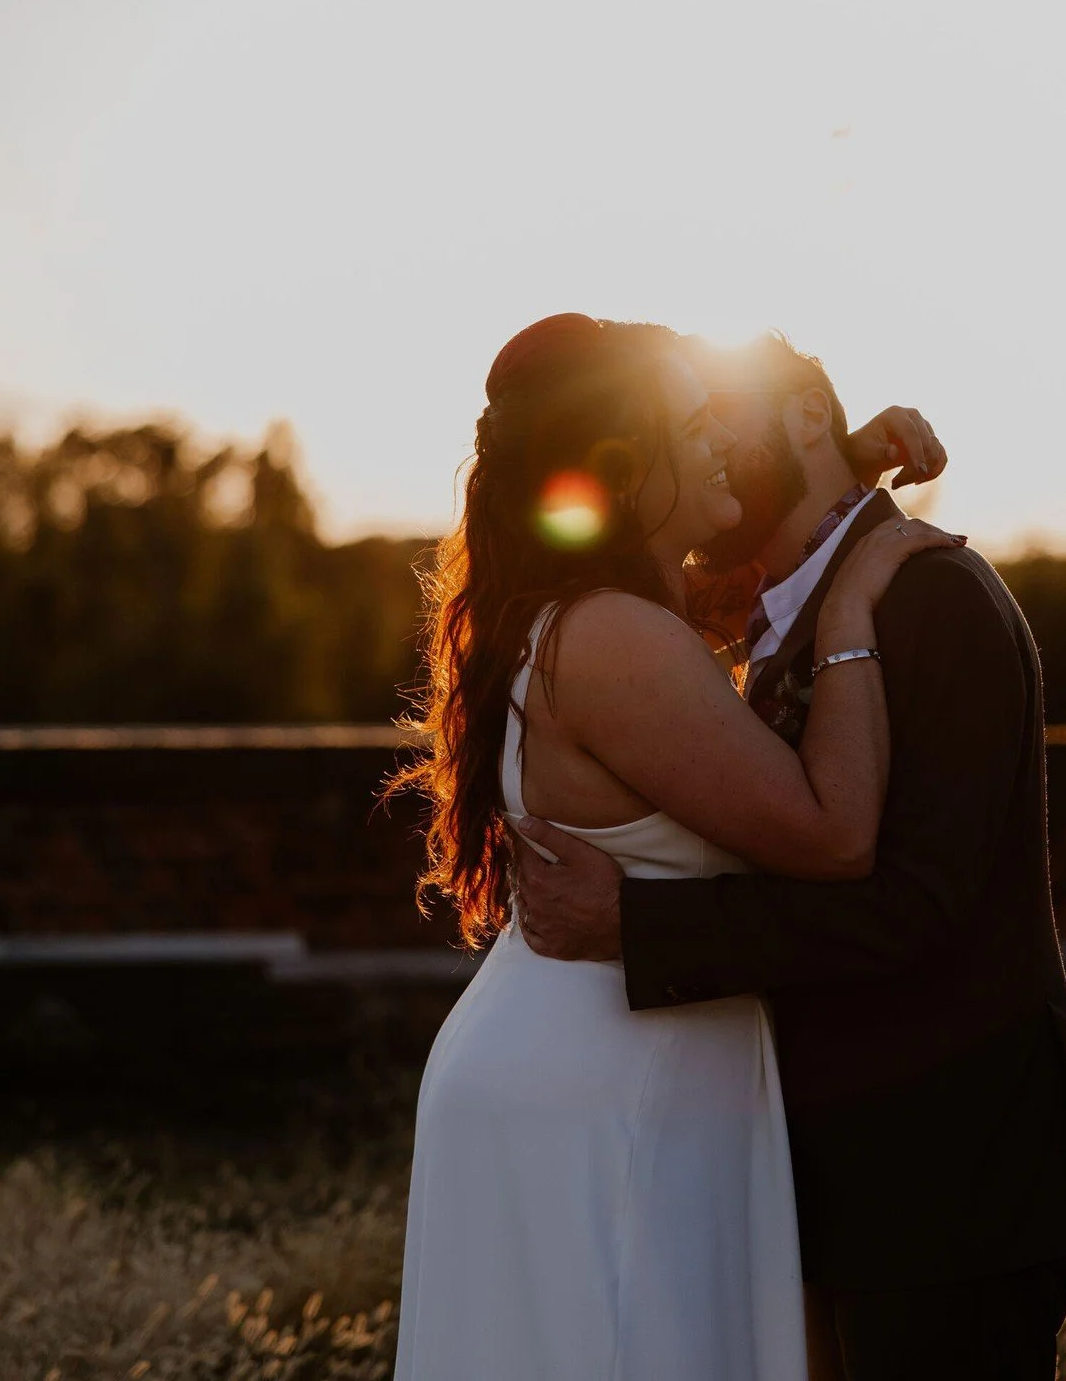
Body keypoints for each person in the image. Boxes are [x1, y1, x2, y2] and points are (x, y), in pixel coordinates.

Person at [515, 331, 1066, 1381]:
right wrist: (842, 454)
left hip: (953, 1171)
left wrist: (634, 925)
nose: (706, 444)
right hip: (848, 1174)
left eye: (719, 416)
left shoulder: (933, 595)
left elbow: (917, 907)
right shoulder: (778, 608)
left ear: (804, 414)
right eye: (692, 427)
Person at [389, 313, 958, 1381]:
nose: (723, 440)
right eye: (696, 426)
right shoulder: (615, 637)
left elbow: (753, 593)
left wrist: (841, 466)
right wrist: (857, 608)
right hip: (607, 1091)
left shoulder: (608, 616)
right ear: (629, 466)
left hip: (604, 1064)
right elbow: (833, 835)